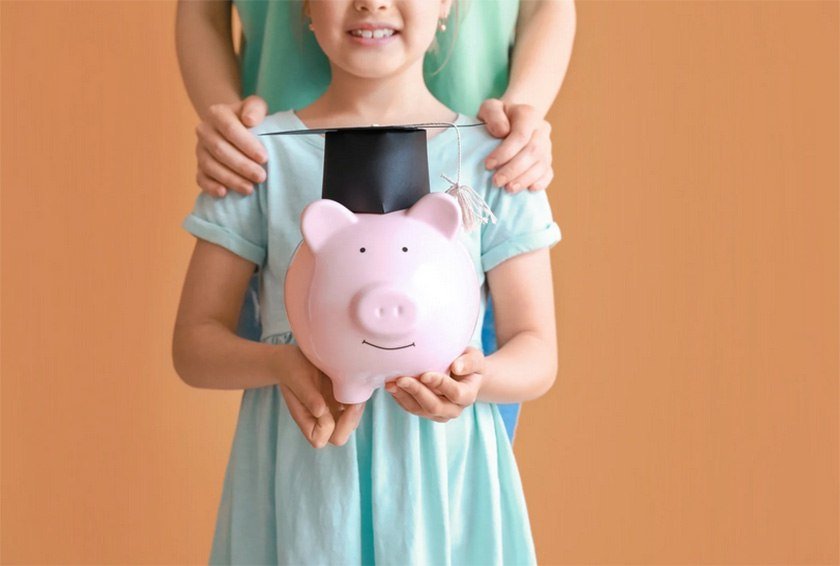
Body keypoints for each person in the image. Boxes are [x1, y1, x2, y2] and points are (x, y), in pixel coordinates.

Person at [173, 0, 562, 562]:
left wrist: (478, 379)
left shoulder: (495, 161)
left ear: (448, 6)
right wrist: (280, 363)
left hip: (444, 498)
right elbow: (194, 345)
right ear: (305, 7)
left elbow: (537, 352)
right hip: (301, 491)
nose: (372, 2)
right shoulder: (255, 161)